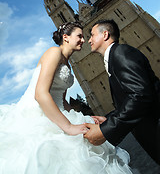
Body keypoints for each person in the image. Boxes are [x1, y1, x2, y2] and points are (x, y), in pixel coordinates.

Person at [0, 21, 133, 174]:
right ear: (66, 37)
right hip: (37, 113)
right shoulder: (53, 52)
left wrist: (86, 117)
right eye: (80, 36)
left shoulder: (67, 64)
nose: (84, 40)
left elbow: (62, 101)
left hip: (59, 111)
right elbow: (40, 94)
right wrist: (69, 127)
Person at [84, 19, 160, 165]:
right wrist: (108, 118)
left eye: (92, 35)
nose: (89, 40)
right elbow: (132, 97)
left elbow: (141, 96)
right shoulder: (114, 58)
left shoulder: (120, 53)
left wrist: (106, 130)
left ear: (105, 34)